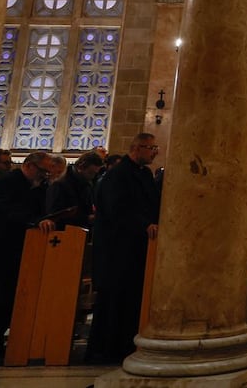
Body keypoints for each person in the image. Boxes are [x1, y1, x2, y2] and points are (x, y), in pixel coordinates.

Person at [86, 133, 161, 364]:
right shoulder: (117, 175)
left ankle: (125, 344)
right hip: (116, 249)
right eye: (151, 148)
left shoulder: (144, 174)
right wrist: (144, 224)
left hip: (135, 248)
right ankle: (104, 351)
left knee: (130, 300)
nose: (154, 152)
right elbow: (117, 209)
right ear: (137, 148)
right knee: (113, 300)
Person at [0, 151, 60, 364]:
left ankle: (3, 343)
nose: (45, 176)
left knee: (11, 300)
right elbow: (7, 210)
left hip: (23, 250)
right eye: (43, 171)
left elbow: (40, 211)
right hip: (0, 249)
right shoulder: (7, 183)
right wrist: (33, 221)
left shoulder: (39, 186)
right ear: (29, 165)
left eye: (48, 173)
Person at [46, 151, 103, 230]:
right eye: (90, 173)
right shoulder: (60, 185)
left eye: (95, 173)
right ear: (81, 167)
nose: (92, 177)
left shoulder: (87, 185)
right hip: (64, 233)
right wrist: (87, 218)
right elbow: (55, 215)